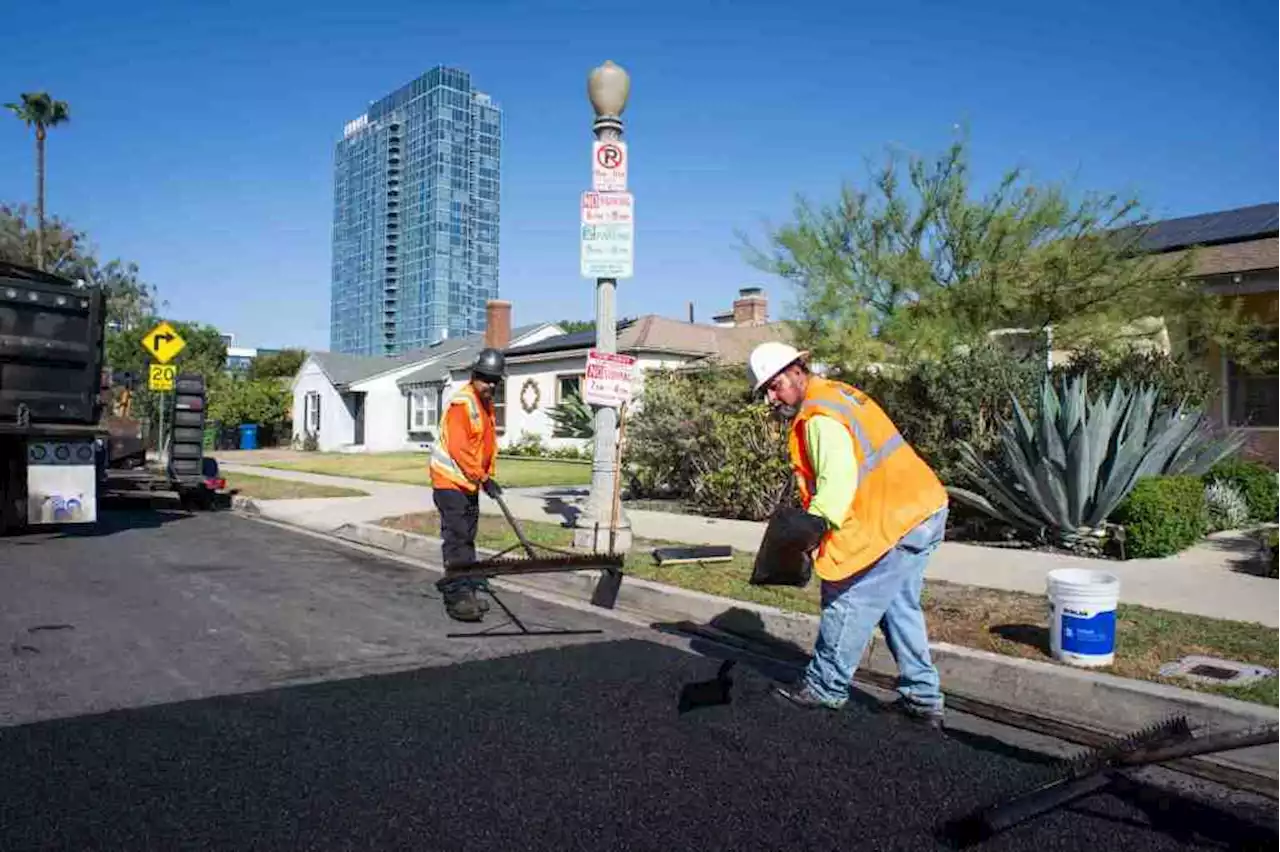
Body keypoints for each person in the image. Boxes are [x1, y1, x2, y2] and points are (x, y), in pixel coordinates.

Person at [747, 341, 950, 728]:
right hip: (923, 507)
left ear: (795, 370)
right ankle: (922, 699)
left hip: (890, 518)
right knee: (898, 606)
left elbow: (836, 486)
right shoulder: (839, 392)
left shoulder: (819, 416)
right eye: (766, 392)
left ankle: (825, 688)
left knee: (846, 596)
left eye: (774, 387)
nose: (771, 398)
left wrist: (809, 537)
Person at [429, 347, 506, 622]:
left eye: (496, 380)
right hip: (450, 481)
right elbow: (460, 449)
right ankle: (458, 595)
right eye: (486, 378)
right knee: (457, 537)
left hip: (468, 482)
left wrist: (485, 476)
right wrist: (484, 478)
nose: (491, 385)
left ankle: (468, 587)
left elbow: (483, 445)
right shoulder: (463, 403)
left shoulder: (484, 403)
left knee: (468, 536)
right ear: (474, 375)